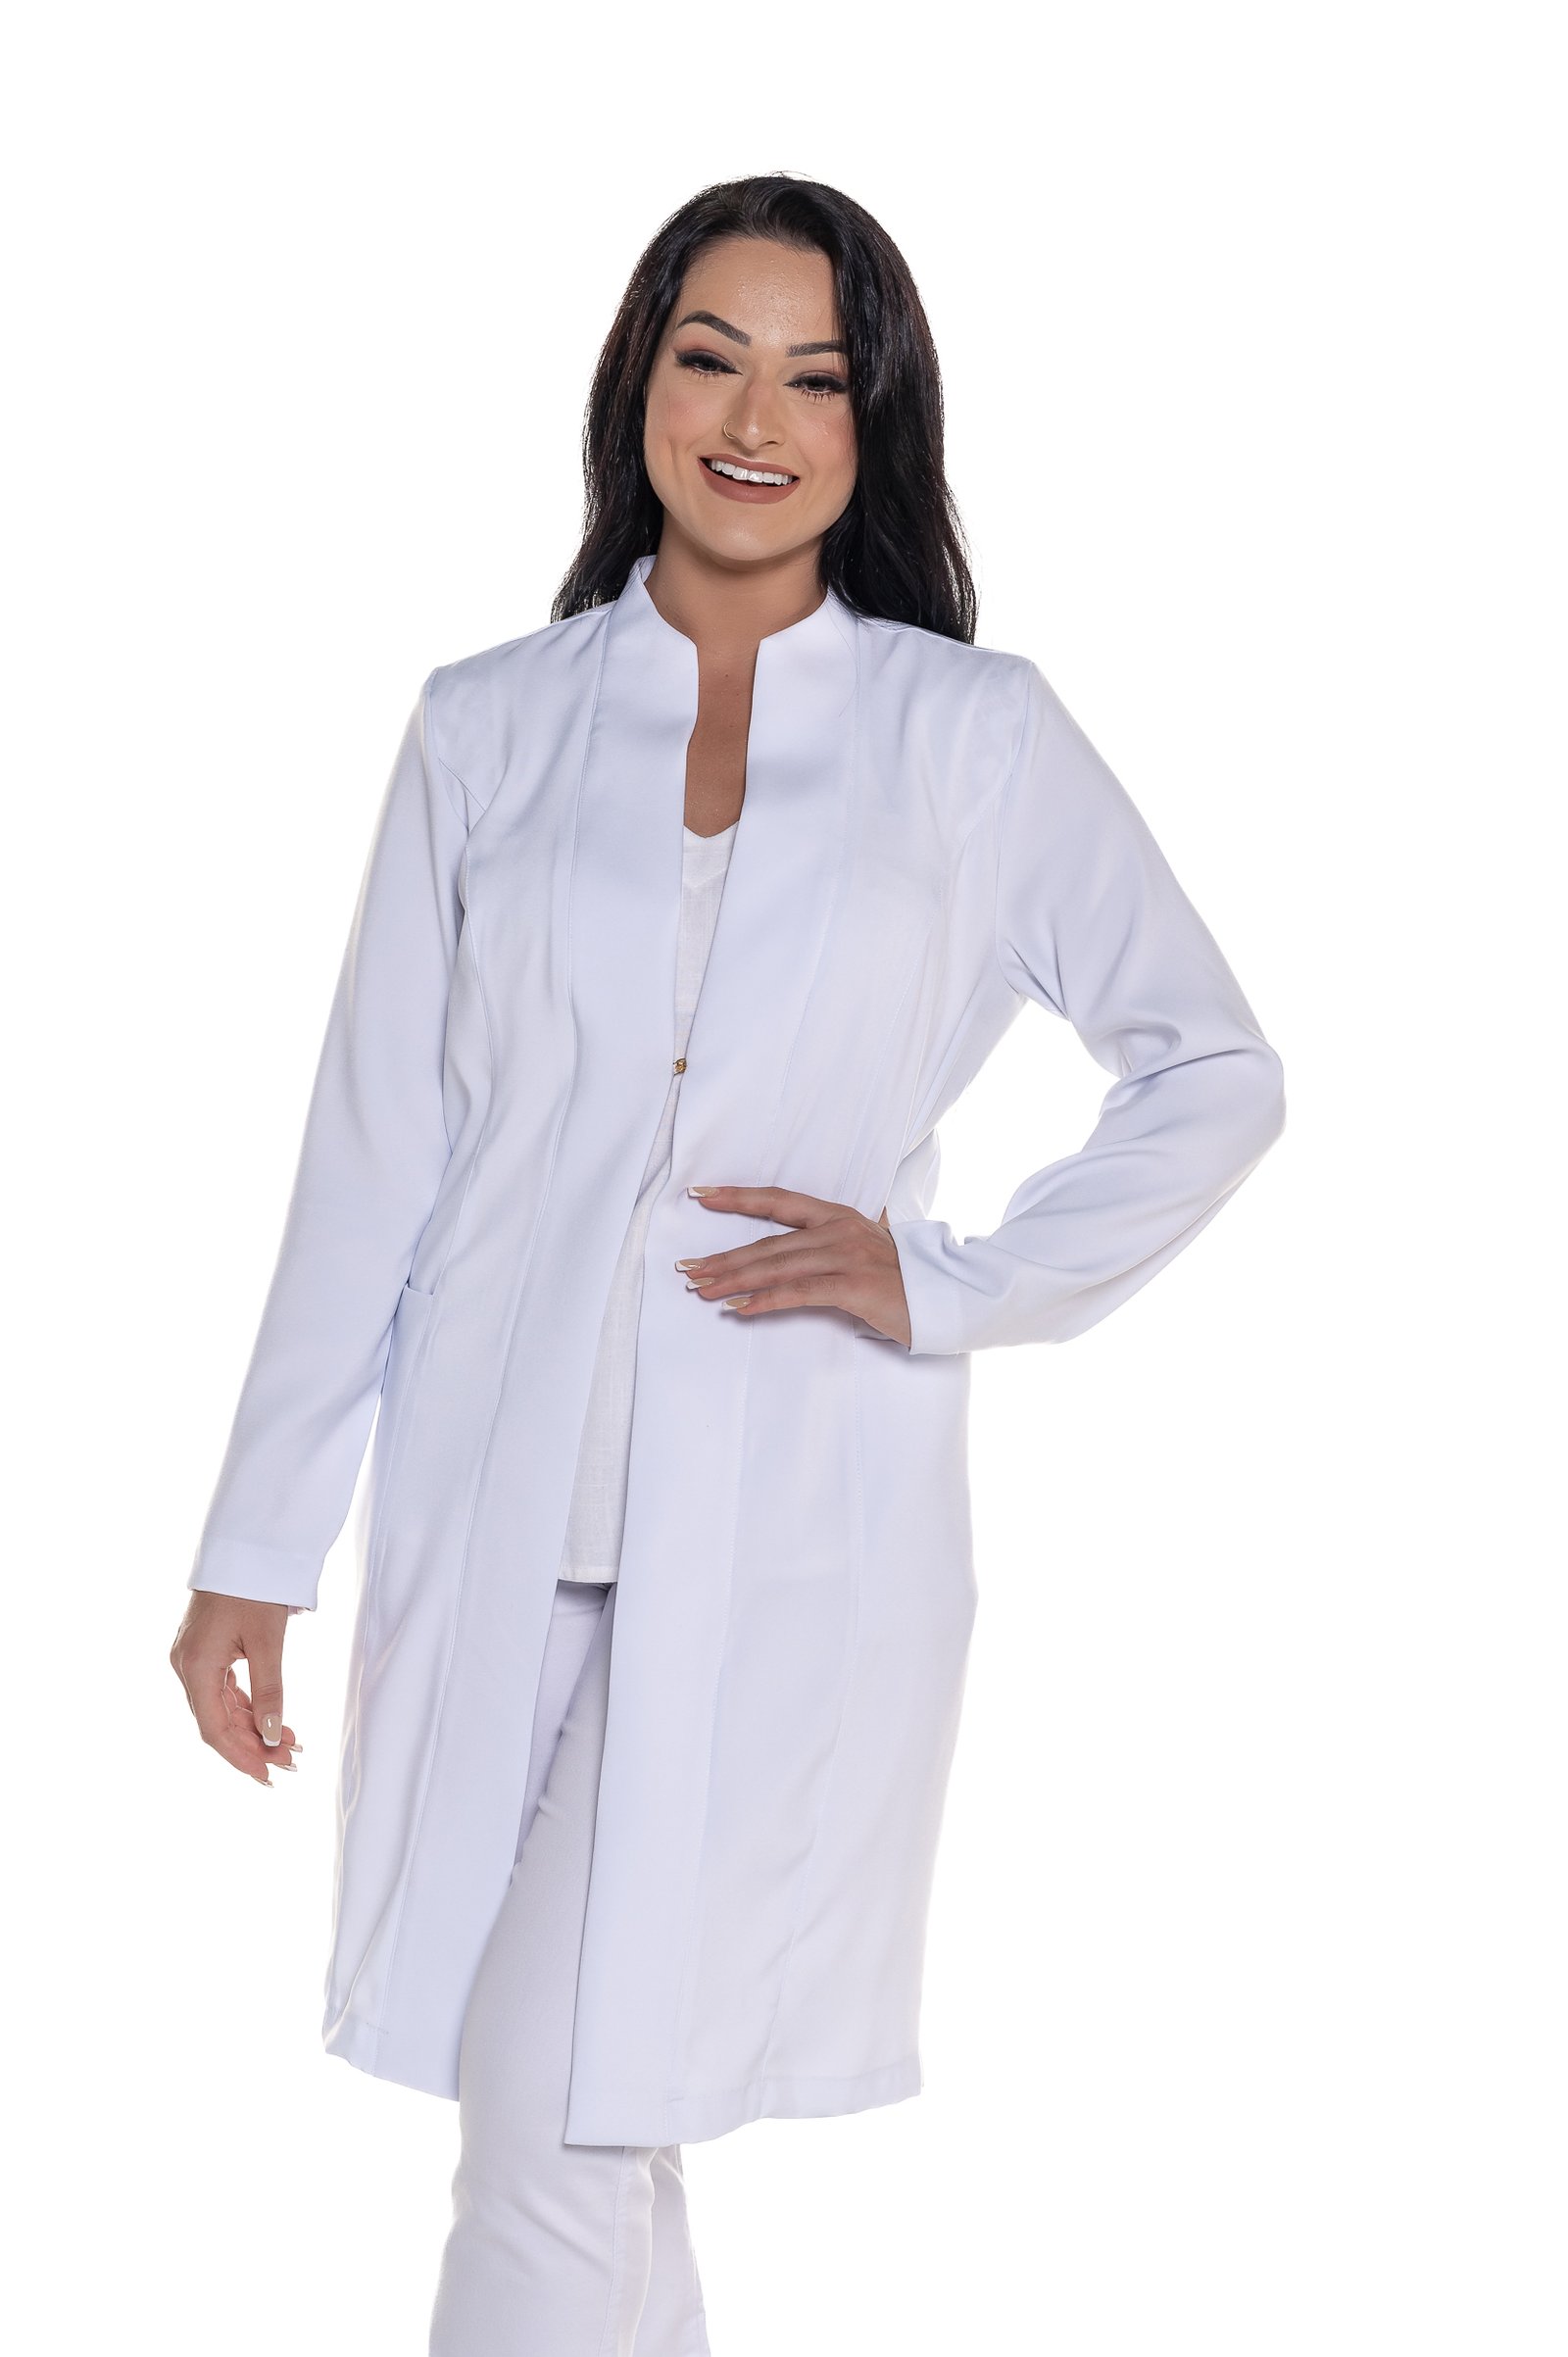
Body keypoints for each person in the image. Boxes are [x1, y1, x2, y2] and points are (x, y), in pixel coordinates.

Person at [170, 172, 1287, 2354]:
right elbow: (371, 1159)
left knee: (560, 2123)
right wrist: (253, 1550)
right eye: (711, 357)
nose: (755, 419)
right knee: (590, 2122)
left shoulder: (971, 738)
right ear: (639, 386)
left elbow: (1214, 1070)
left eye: (816, 375)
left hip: (788, 1535)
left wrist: (944, 1278)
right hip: (492, 1518)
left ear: (879, 424)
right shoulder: (487, 725)